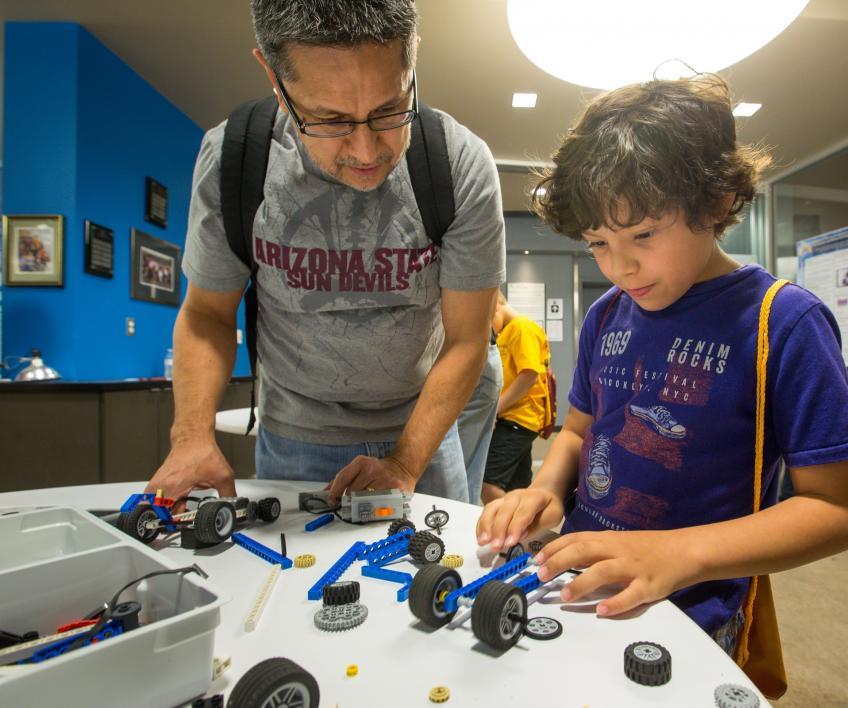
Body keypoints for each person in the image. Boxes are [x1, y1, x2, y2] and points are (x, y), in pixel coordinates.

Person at [476, 75, 848, 655]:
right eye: (598, 243)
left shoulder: (781, 321)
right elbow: (580, 430)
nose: (620, 267)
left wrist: (678, 553)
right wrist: (548, 490)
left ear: (716, 201)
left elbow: (838, 508)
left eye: (643, 233)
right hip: (576, 580)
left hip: (693, 611)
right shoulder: (607, 316)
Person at [146, 0, 504, 506]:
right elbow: (206, 314)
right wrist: (191, 437)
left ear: (413, 54)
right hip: (295, 435)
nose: (365, 150)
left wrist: (404, 462)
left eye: (388, 110)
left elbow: (468, 339)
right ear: (274, 77)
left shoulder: (457, 162)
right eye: (329, 119)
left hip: (423, 427)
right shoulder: (237, 157)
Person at [481, 292, 552, 504]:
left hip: (517, 419)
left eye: (486, 319)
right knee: (516, 488)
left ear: (495, 307)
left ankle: (503, 530)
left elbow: (529, 374)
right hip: (515, 419)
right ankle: (524, 534)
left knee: (488, 485)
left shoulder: (522, 328)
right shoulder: (507, 332)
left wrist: (496, 409)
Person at [457, 317, 504, 504]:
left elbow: (529, 375)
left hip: (470, 357)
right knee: (471, 472)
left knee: (457, 477)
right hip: (484, 355)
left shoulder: (522, 328)